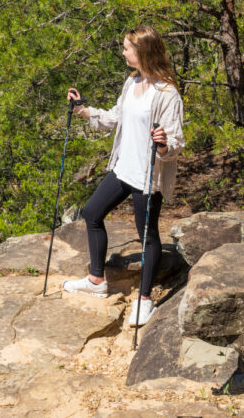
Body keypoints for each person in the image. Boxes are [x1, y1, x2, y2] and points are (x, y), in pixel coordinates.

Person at [62, 26, 184, 326]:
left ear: (142, 51)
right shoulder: (132, 82)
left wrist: (165, 143)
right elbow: (116, 117)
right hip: (123, 168)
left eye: (127, 48)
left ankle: (145, 300)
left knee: (147, 236)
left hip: (147, 175)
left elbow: (176, 142)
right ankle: (96, 280)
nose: (123, 52)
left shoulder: (168, 94)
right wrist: (83, 111)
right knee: (92, 213)